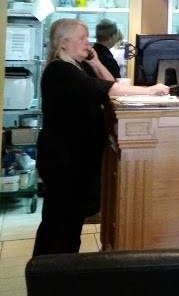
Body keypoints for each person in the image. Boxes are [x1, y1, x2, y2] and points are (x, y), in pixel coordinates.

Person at [33, 18, 168, 256]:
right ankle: (48, 270)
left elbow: (109, 83)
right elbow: (109, 90)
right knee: (59, 224)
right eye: (82, 38)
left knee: (69, 224)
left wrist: (95, 62)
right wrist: (149, 90)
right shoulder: (61, 70)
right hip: (63, 160)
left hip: (71, 159)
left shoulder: (76, 66)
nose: (88, 43)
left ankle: (60, 268)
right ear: (63, 43)